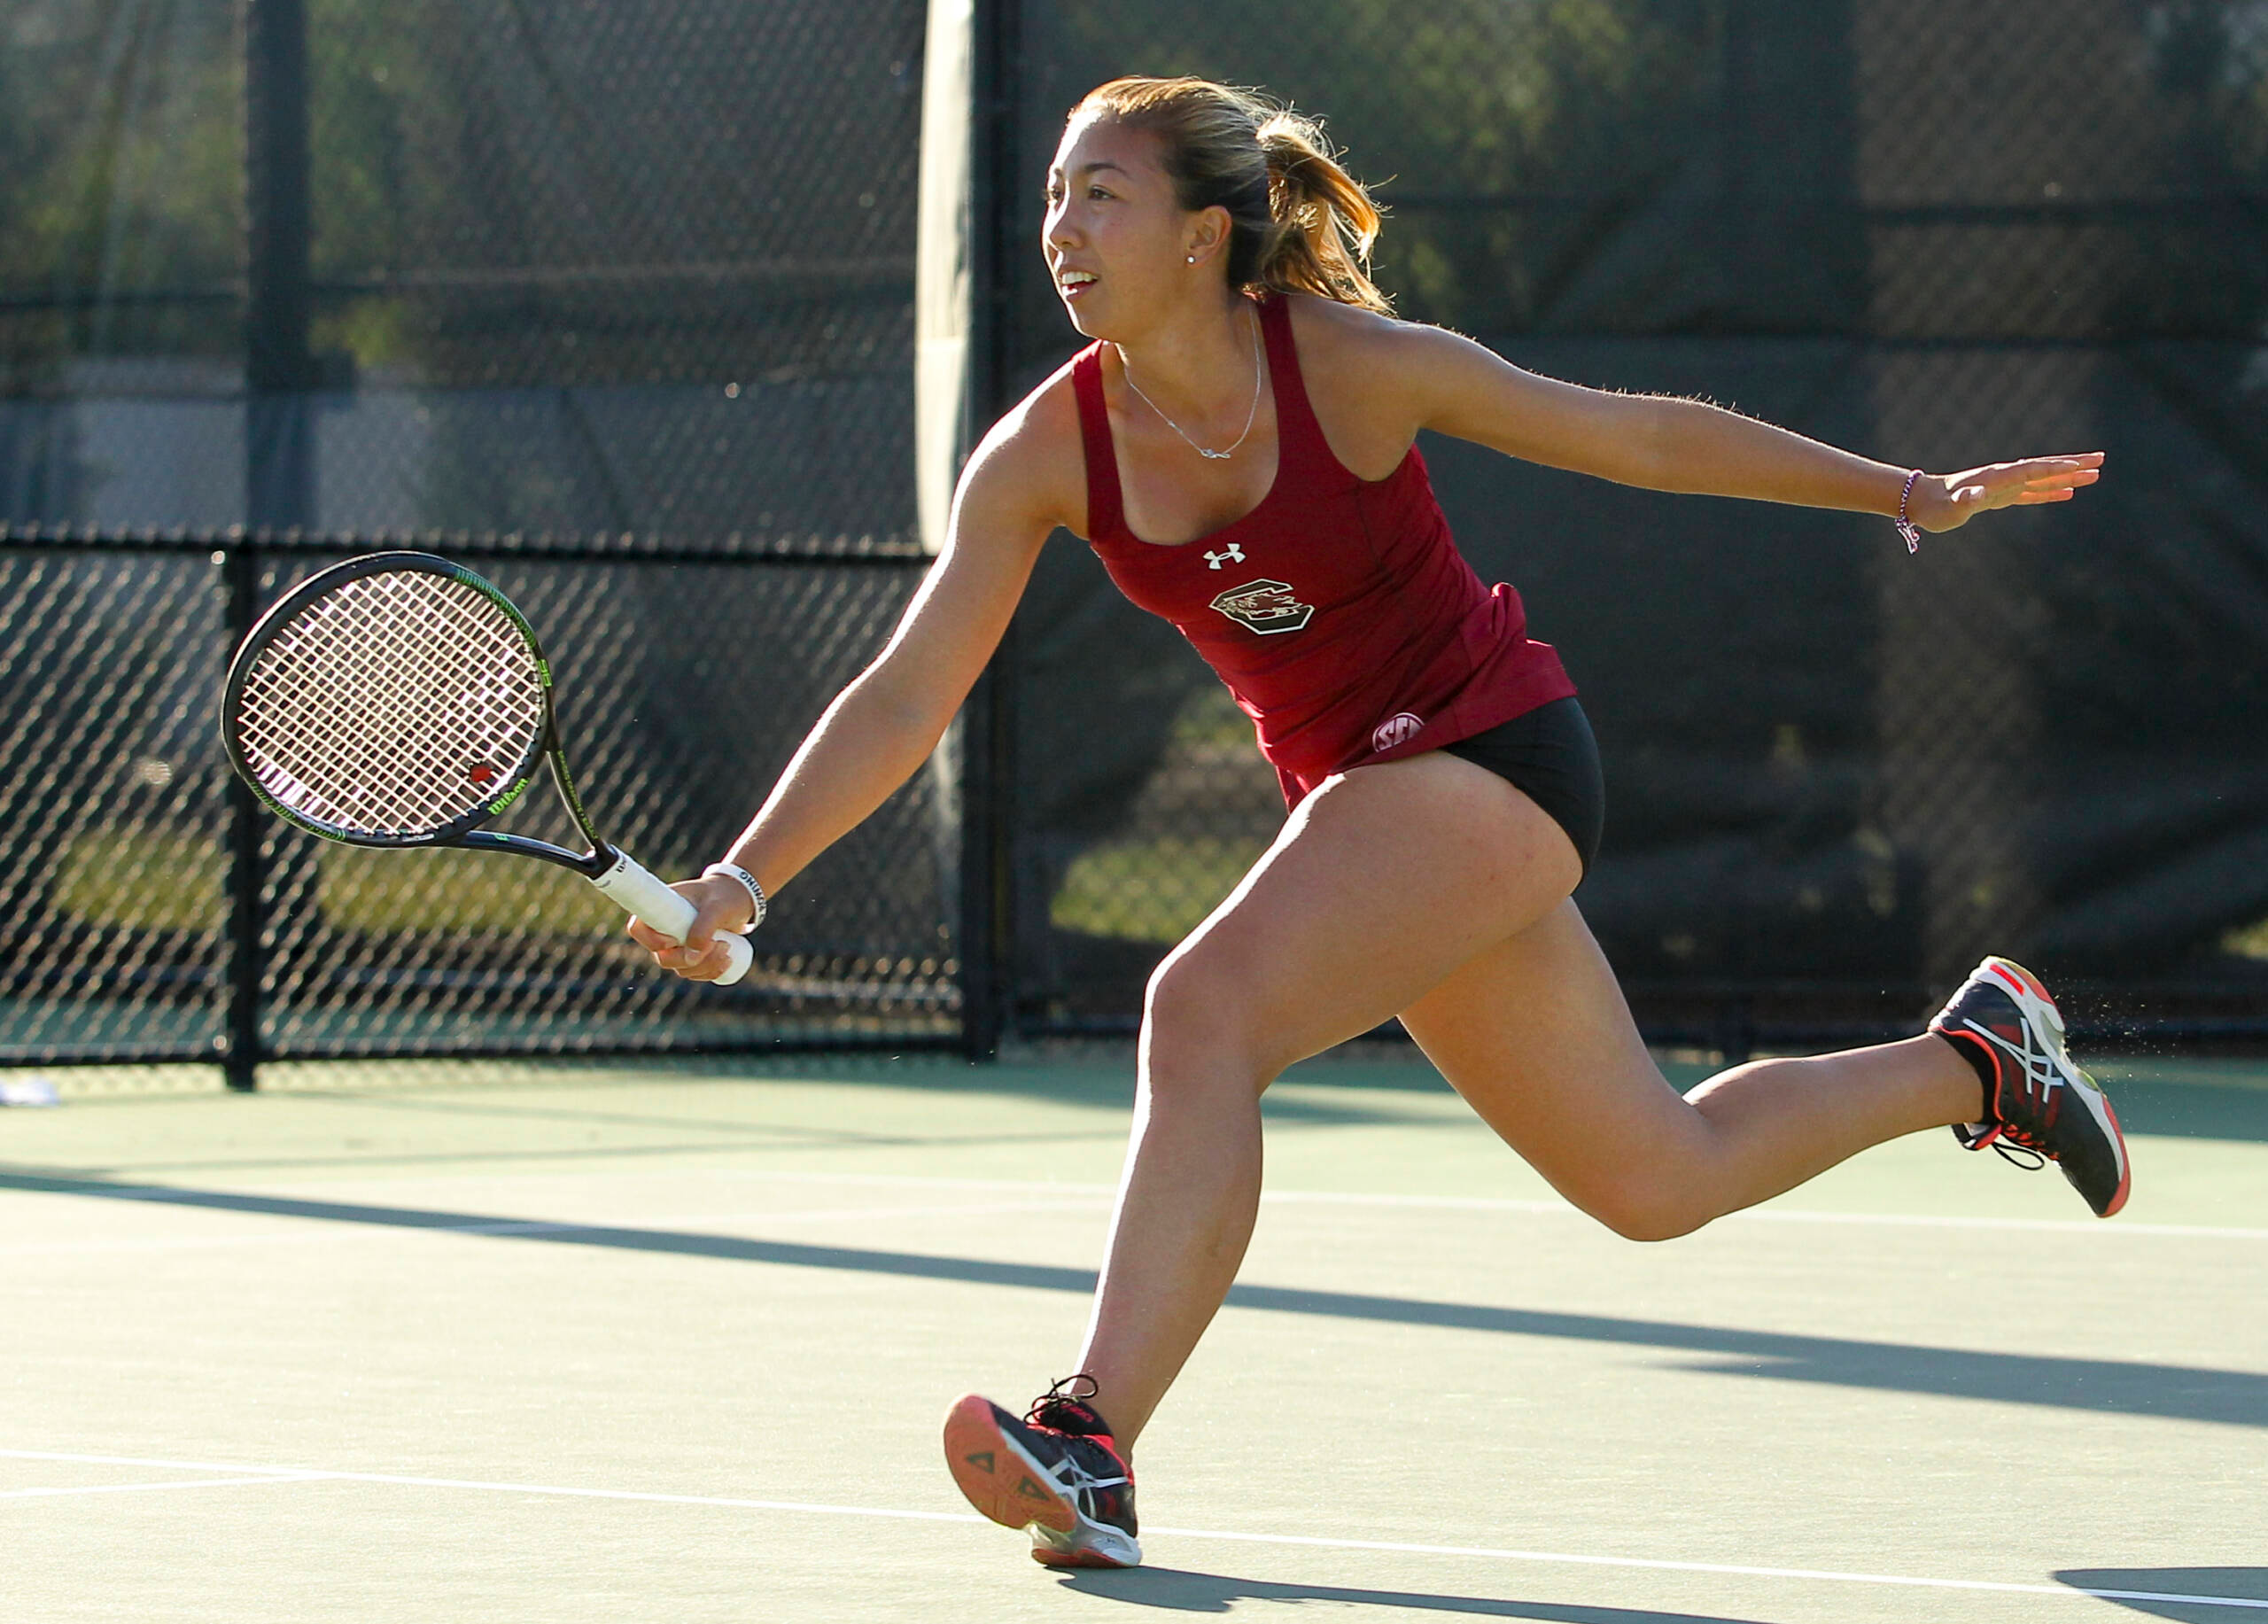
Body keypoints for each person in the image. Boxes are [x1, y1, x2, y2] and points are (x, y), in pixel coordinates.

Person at [630, 75, 2124, 1571]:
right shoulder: (1043, 454)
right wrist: (747, 879)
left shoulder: (1348, 367)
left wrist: (1914, 490)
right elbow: (905, 699)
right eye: (1052, 198)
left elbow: (1636, 437)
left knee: (1200, 1010)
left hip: (1496, 753)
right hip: (1372, 810)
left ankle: (1092, 1438)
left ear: (1207, 235)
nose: (1060, 231)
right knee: (1656, 1180)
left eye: (1103, 196)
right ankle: (1981, 1063)